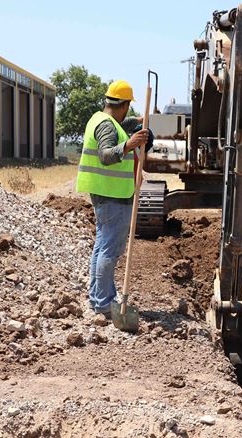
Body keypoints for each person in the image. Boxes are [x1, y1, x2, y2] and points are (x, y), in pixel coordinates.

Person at [76, 80, 152, 319]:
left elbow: (121, 125)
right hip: (113, 196)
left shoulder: (100, 119)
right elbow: (106, 155)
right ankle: (104, 302)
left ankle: (98, 297)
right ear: (125, 104)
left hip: (105, 193)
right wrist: (130, 144)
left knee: (102, 247)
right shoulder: (107, 127)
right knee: (110, 249)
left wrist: (139, 123)